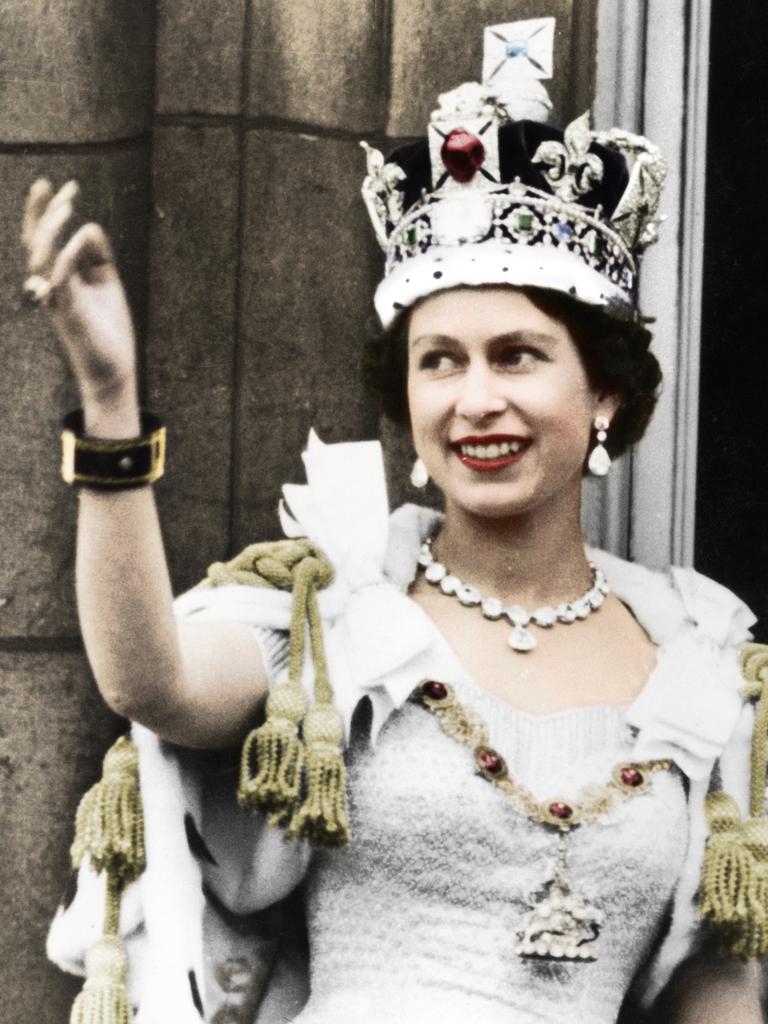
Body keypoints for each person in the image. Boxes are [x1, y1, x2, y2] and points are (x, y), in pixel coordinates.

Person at [23, 20, 766, 1024]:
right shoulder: (338, 615)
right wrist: (111, 403)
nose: (474, 399)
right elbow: (147, 679)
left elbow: (717, 996)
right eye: (440, 361)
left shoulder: (702, 666)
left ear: (605, 397)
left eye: (517, 356)